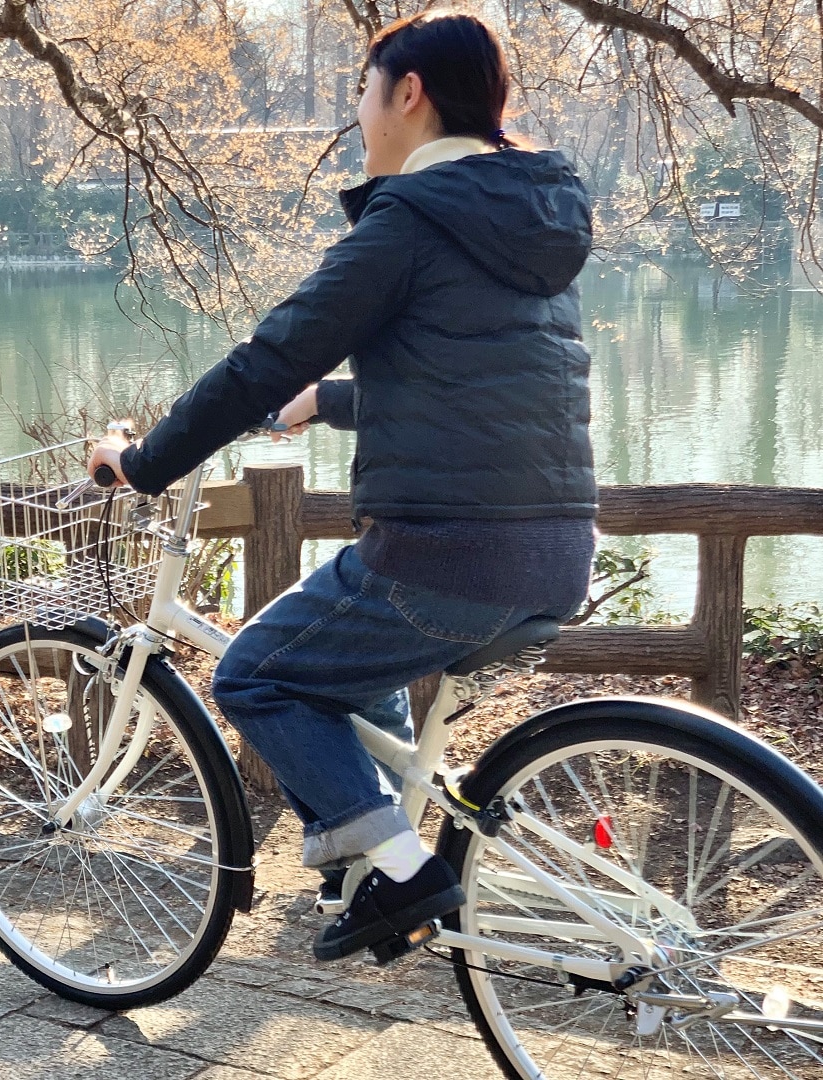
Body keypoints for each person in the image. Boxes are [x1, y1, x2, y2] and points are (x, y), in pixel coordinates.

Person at [90, 10, 597, 963]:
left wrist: (146, 461)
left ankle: (403, 873)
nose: (359, 115)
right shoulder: (527, 217)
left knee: (253, 674)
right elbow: (481, 384)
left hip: (448, 554)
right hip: (556, 546)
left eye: (362, 92)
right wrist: (332, 401)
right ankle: (372, 861)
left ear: (409, 94)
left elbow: (262, 359)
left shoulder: (411, 215)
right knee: (354, 660)